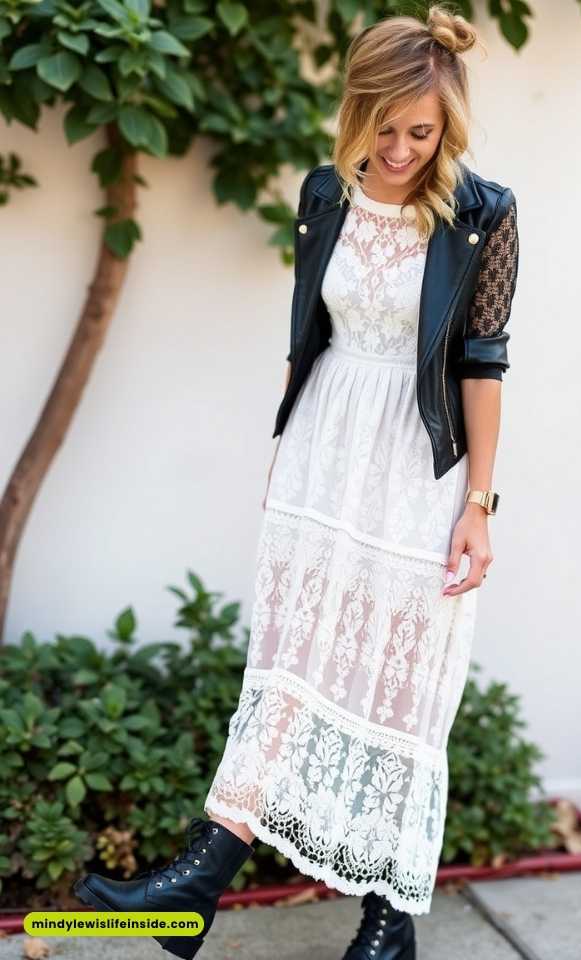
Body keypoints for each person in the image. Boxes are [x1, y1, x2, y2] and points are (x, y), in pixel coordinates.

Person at [72, 5, 519, 959]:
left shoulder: (484, 214)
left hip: (417, 470)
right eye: (383, 128)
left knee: (402, 688)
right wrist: (282, 456)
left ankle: (387, 925)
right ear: (355, 112)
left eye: (420, 132)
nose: (398, 151)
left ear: (447, 125)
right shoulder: (324, 194)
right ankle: (196, 882)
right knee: (286, 665)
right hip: (322, 456)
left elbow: (482, 365)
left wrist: (479, 505)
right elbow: (305, 337)